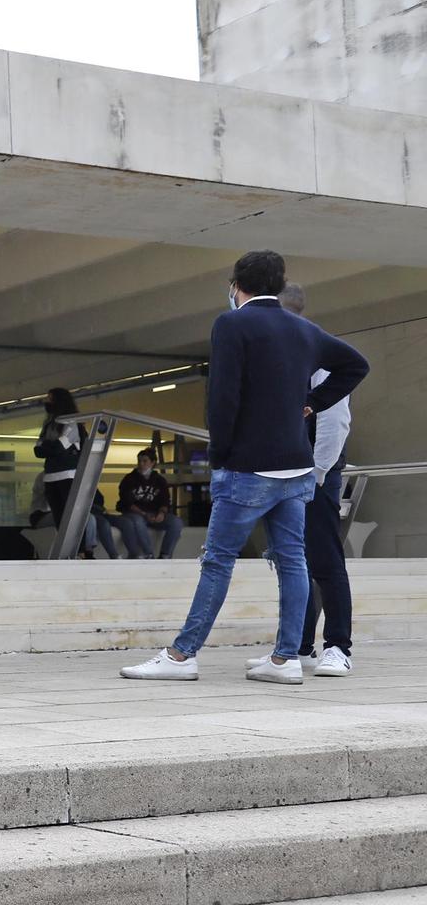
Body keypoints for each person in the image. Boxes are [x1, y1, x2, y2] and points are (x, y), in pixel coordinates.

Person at [122, 251, 367, 684]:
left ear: (237, 285)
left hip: (247, 468)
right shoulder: (303, 329)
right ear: (279, 282)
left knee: (218, 561)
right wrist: (311, 404)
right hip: (295, 469)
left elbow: (223, 397)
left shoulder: (231, 323)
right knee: (293, 562)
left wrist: (219, 456)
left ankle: (182, 655)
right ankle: (286, 658)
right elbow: (355, 365)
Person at [278, 281, 355, 676]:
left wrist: (319, 474)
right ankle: (299, 646)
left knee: (325, 560)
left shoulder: (316, 350)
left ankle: (338, 646)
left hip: (316, 474)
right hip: (291, 472)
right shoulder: (289, 351)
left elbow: (334, 420)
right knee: (295, 561)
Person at [117, 450, 183, 559]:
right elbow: (127, 502)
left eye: (145, 461)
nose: (141, 464)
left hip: (154, 514)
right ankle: (149, 554)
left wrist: (161, 513)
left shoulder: (160, 480)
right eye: (139, 461)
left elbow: (165, 500)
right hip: (135, 513)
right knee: (138, 521)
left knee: (176, 522)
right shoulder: (128, 479)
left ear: (153, 463)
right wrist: (144, 514)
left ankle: (165, 554)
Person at [34, 388, 83, 531]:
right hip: (50, 477)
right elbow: (37, 450)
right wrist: (51, 447)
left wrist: (48, 446)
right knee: (59, 519)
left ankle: (80, 552)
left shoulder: (71, 422)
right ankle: (65, 551)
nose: (47, 401)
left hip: (67, 476)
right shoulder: (48, 424)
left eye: (50, 398)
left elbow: (57, 448)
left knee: (70, 518)